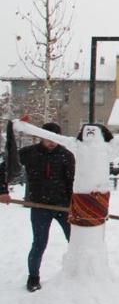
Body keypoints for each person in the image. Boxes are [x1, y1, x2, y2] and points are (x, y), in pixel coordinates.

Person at [0, 122, 75, 292]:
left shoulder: (66, 155)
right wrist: (3, 190)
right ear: (41, 137)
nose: (51, 142)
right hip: (40, 206)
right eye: (48, 138)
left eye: (55, 139)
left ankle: (77, 274)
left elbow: (73, 182)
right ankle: (33, 278)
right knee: (39, 243)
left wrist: (75, 204)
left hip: (64, 207)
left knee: (75, 241)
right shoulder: (29, 153)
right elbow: (5, 167)